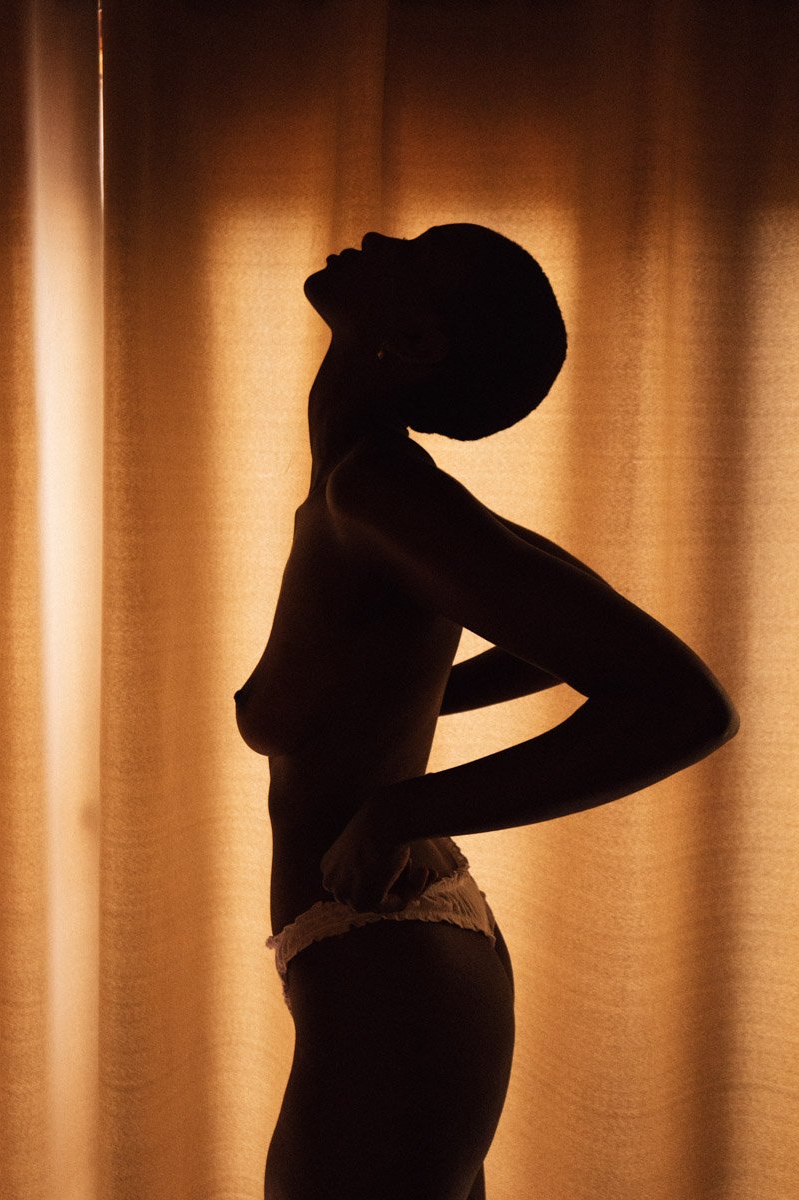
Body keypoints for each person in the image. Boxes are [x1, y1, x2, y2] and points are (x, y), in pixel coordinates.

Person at [234, 224, 739, 1200]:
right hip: (384, 963)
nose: (375, 236)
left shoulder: (377, 494)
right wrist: (426, 703)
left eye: (418, 254)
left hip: (389, 976)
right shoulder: (364, 491)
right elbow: (563, 622)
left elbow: (683, 706)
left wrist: (402, 810)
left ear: (418, 344)